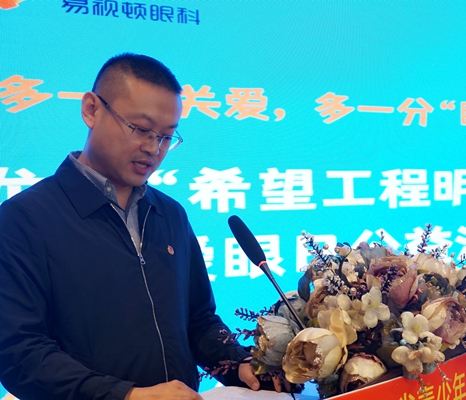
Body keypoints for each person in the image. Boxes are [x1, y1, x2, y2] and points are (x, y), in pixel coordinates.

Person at [0, 53, 277, 399]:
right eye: (141, 129)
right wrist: (127, 396)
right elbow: (19, 353)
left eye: (166, 137)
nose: (153, 148)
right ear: (91, 110)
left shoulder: (169, 214)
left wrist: (239, 362)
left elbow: (198, 320)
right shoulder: (24, 219)